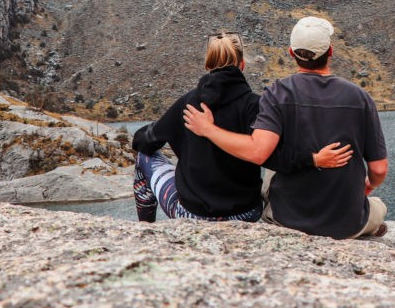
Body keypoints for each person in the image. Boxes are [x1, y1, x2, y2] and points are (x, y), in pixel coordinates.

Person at [184, 16, 388, 239]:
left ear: (292, 53)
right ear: (330, 52)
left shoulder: (277, 93)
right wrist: (368, 185)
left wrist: (208, 129)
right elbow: (379, 169)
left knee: (272, 159)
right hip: (346, 225)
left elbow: (257, 151)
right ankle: (369, 225)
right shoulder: (360, 97)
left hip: (288, 220)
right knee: (378, 207)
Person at [131, 31, 350, 223]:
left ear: (208, 66)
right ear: (242, 64)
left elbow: (145, 142)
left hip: (192, 215)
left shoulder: (188, 104)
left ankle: (146, 231)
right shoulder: (256, 106)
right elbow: (276, 156)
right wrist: (313, 159)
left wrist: (159, 128)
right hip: (246, 214)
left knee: (144, 157)